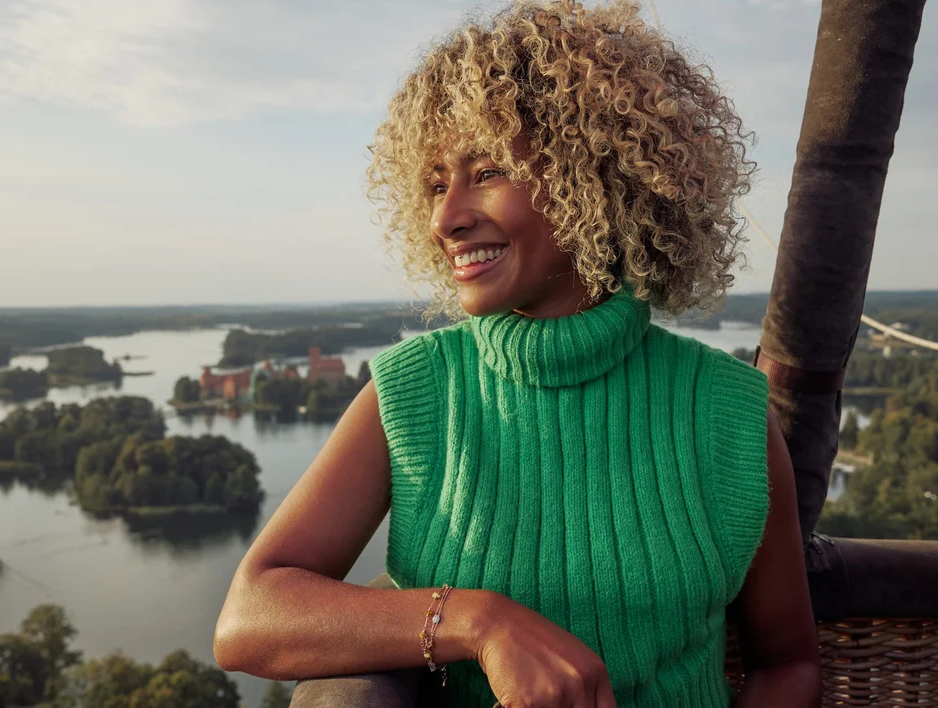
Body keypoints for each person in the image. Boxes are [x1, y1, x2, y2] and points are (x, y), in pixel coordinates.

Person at [213, 1, 820, 706]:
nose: (446, 218)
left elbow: (787, 665)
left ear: (593, 174)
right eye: (437, 182)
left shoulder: (727, 411)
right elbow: (250, 617)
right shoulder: (418, 391)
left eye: (487, 170)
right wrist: (478, 621)